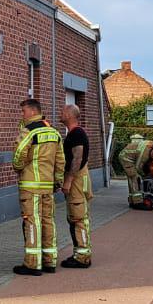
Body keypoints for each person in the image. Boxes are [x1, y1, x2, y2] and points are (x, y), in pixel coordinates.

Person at [11, 98, 65, 276]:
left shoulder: (29, 131)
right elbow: (60, 161)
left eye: (23, 111)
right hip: (48, 185)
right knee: (48, 220)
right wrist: (58, 181)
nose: (22, 114)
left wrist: (18, 168)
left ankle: (33, 264)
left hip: (30, 185)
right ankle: (50, 261)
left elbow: (19, 154)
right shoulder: (54, 132)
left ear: (33, 111)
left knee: (32, 221)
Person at [59, 104, 93, 268]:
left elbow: (77, 158)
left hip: (77, 182)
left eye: (62, 111)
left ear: (69, 114)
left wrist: (68, 181)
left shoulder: (77, 134)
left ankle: (82, 256)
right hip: (78, 180)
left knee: (78, 217)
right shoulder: (74, 133)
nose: (60, 113)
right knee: (75, 217)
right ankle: (80, 253)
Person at [116, 135, 153, 209]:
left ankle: (132, 201)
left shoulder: (152, 147)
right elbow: (138, 167)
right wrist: (146, 175)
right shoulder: (145, 153)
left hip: (130, 157)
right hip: (126, 158)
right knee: (135, 177)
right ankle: (138, 203)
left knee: (131, 180)